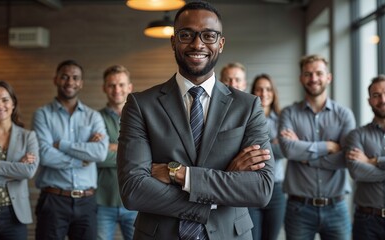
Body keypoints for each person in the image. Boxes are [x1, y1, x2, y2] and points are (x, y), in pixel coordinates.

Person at [117, 1, 275, 240]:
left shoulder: (248, 106)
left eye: (208, 35)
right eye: (186, 34)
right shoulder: (141, 105)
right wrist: (216, 194)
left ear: (220, 44)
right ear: (173, 41)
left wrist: (180, 174)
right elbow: (134, 190)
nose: (197, 43)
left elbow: (260, 188)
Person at [279, 54, 355, 240]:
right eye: (308, 74)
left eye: (319, 73)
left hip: (336, 207)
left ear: (328, 77)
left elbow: (346, 158)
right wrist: (328, 146)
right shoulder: (289, 113)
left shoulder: (344, 115)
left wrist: (303, 154)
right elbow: (288, 150)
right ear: (301, 78)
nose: (313, 79)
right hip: (299, 209)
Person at [32, 60, 108, 240]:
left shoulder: (93, 117)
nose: (70, 82)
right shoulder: (42, 114)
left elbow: (100, 153)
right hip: (53, 200)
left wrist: (63, 145)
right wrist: (82, 158)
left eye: (75, 78)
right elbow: (44, 154)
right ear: (56, 80)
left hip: (87, 201)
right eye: (65, 77)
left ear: (81, 83)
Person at [346, 75, 385, 240]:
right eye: (376, 95)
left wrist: (372, 161)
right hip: (367, 222)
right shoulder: (356, 135)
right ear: (369, 101)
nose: (383, 99)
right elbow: (357, 172)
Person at [0, 80, 39, 239]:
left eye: (5, 100)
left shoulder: (28, 136)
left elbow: (29, 172)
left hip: (15, 215)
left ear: (13, 103)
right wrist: (15, 172)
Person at [97, 65, 137, 240]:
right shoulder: (94, 118)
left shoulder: (141, 117)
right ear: (104, 88)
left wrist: (112, 147)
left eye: (121, 84)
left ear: (130, 87)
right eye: (112, 85)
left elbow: (149, 154)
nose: (117, 90)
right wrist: (131, 150)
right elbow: (98, 156)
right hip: (102, 202)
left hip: (136, 200)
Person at [249, 74, 286, 240]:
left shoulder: (282, 120)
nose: (264, 93)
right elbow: (246, 151)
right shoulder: (247, 119)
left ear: (273, 93)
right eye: (259, 89)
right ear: (253, 92)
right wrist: (273, 144)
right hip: (251, 187)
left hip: (276, 190)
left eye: (268, 89)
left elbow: (285, 150)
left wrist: (260, 149)